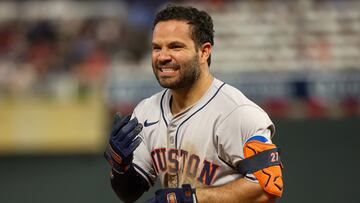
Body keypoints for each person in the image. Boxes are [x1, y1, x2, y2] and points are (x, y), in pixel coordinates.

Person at [104, 4, 283, 203]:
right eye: (156, 48)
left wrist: (192, 199)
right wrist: (121, 167)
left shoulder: (237, 112)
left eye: (175, 46)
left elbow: (267, 187)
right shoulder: (147, 111)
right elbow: (129, 193)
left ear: (204, 52)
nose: (162, 57)